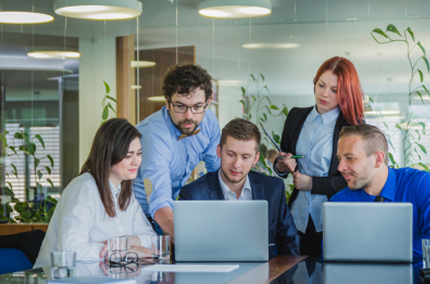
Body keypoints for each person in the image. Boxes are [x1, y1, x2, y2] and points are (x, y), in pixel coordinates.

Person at [34, 118, 156, 268]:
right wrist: (123, 252)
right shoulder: (83, 188)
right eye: (128, 155)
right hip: (63, 281)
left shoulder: (125, 193)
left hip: (104, 279)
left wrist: (129, 241)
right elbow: (70, 249)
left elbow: (152, 239)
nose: (136, 162)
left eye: (139, 153)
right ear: (109, 155)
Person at [274, 56, 365, 256]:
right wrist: (281, 166)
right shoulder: (296, 117)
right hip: (297, 216)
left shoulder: (353, 128)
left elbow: (357, 180)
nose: (324, 94)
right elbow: (284, 158)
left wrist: (312, 184)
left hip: (334, 218)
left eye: (334, 90)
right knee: (295, 281)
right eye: (321, 85)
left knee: (330, 282)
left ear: (345, 93)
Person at [331, 124, 430, 258]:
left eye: (350, 158)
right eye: (339, 159)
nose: (340, 167)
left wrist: (377, 252)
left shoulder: (420, 185)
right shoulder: (340, 203)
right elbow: (332, 256)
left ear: (377, 159)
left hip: (417, 278)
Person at [179, 118, 299, 255]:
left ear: (255, 158)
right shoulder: (193, 195)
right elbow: (187, 252)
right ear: (219, 151)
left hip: (265, 273)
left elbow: (291, 243)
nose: (236, 164)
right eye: (231, 154)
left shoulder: (273, 189)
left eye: (245, 157)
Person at [134, 64, 221, 239]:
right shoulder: (155, 136)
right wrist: (189, 242)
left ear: (207, 104)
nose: (189, 116)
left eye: (197, 106)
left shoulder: (209, 121)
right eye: (181, 106)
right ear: (167, 102)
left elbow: (217, 173)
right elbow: (158, 200)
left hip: (172, 211)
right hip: (139, 217)